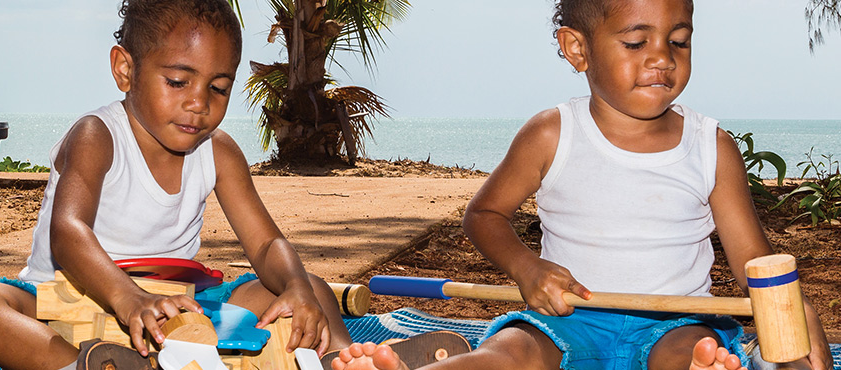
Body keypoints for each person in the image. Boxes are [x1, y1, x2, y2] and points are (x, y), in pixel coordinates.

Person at [330, 0, 833, 369]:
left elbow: (753, 262)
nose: (663, 57)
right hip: (566, 319)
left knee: (689, 357)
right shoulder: (551, 134)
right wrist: (527, 267)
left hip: (676, 325)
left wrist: (794, 305)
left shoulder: (710, 146)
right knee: (511, 353)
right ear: (577, 49)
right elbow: (483, 216)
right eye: (636, 43)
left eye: (678, 40)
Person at [0, 1, 351, 369]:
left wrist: (295, 286)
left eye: (218, 88)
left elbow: (264, 246)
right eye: (178, 81)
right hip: (67, 301)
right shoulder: (96, 135)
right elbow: (68, 231)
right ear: (125, 69)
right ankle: (76, 366)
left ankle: (344, 360)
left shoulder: (219, 152)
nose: (199, 103)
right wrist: (128, 297)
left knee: (312, 288)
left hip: (180, 308)